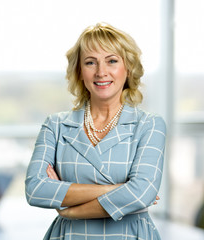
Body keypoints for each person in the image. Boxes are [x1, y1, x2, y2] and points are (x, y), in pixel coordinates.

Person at [25, 22, 166, 240]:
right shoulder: (55, 125)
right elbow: (35, 190)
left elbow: (141, 194)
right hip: (70, 235)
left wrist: (70, 208)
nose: (101, 72)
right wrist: (119, 189)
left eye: (112, 61)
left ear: (127, 68)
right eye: (90, 62)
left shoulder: (150, 125)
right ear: (79, 72)